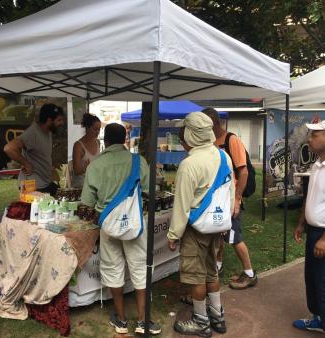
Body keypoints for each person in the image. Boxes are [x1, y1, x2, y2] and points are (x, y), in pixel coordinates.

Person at [81, 123, 162, 336]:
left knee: (112, 268)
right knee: (139, 267)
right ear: (124, 139)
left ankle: (121, 319)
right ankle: (144, 320)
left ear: (105, 140)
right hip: (134, 223)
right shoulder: (139, 161)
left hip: (108, 225)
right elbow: (149, 191)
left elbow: (87, 203)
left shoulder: (95, 166)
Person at [167, 112, 234, 337]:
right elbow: (230, 192)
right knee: (211, 271)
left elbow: (181, 205)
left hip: (195, 229)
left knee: (196, 276)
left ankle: (201, 321)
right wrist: (225, 221)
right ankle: (217, 316)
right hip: (217, 225)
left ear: (191, 135)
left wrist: (173, 235)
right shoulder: (224, 156)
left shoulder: (189, 164)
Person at [202, 107, 257, 290]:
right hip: (218, 198)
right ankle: (218, 265)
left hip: (231, 198)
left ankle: (249, 273)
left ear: (215, 123)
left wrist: (237, 199)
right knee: (219, 234)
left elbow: (243, 171)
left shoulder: (231, 140)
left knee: (234, 237)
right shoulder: (210, 142)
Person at [293, 120, 325, 333]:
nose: (309, 139)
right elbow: (311, 196)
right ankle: (318, 318)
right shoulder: (316, 164)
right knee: (312, 278)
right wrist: (301, 222)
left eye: (315, 135)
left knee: (322, 283)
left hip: (323, 235)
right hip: (313, 232)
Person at [4, 103, 65, 196]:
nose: (62, 123)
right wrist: (26, 164)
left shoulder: (48, 131)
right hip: (32, 186)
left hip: (44, 183)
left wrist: (51, 163)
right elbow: (9, 148)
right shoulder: (33, 134)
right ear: (49, 120)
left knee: (62, 199)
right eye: (59, 120)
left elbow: (40, 152)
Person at [71, 113, 101, 188]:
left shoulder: (98, 142)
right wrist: (84, 168)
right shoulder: (78, 145)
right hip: (81, 186)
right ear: (87, 128)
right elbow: (76, 171)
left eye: (99, 129)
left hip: (94, 184)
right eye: (95, 129)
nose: (97, 132)